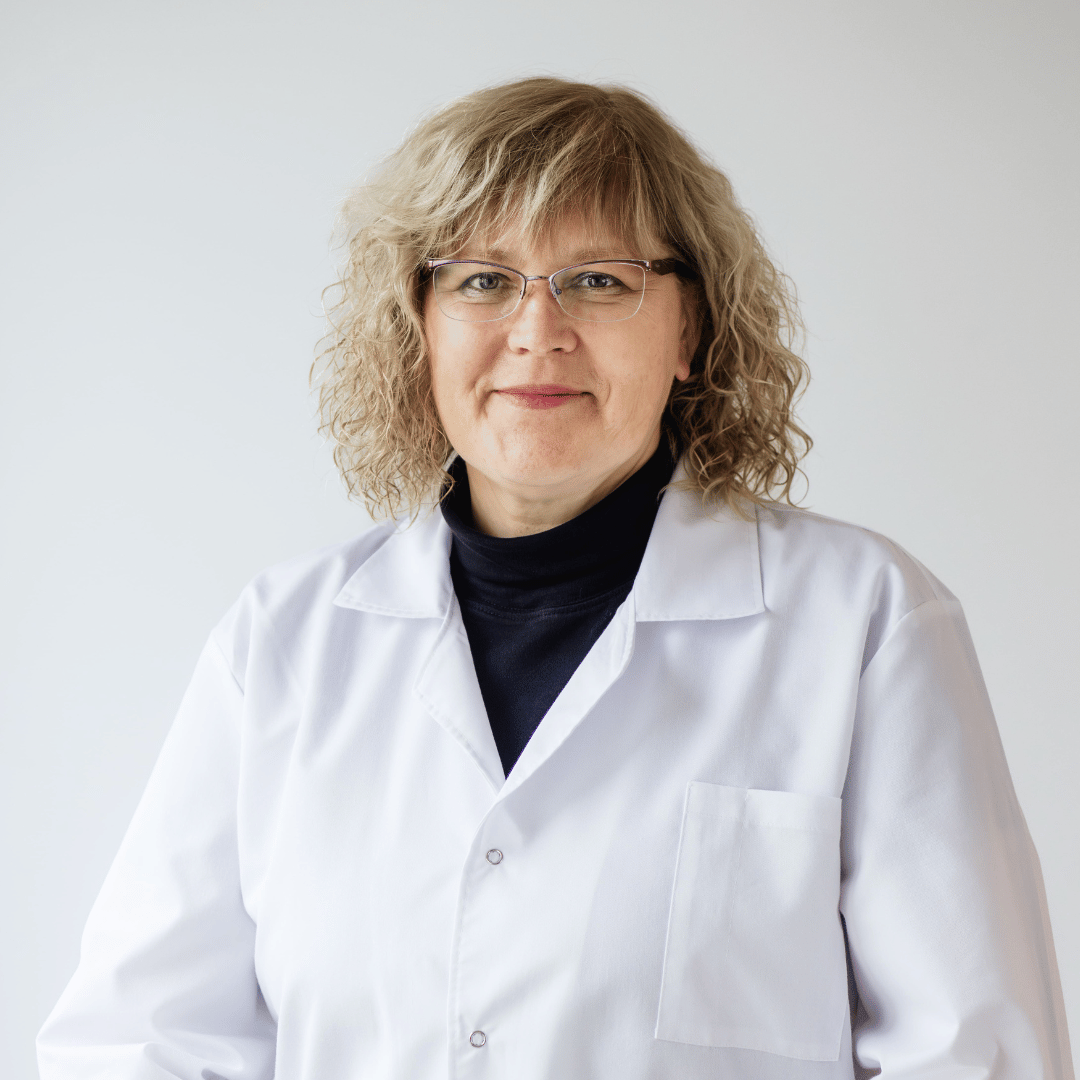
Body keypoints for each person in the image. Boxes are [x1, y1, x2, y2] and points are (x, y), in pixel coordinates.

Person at [38, 77, 1072, 1080]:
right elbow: (137, 1043)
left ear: (690, 331)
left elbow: (972, 1054)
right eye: (482, 280)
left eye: (600, 280)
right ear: (418, 325)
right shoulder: (284, 642)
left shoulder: (862, 621)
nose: (538, 331)